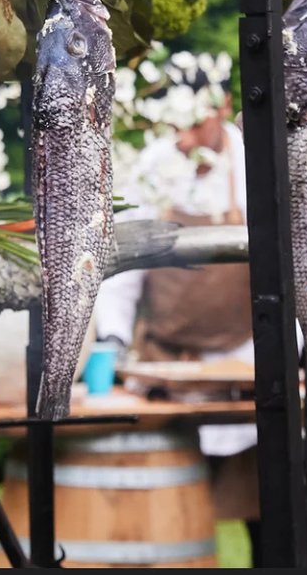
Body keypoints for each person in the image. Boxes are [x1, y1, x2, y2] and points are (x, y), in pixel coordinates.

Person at [92, 61, 261, 552]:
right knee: (160, 521)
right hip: (164, 367)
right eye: (175, 126)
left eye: (194, 124)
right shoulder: (152, 166)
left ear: (223, 107)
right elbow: (121, 267)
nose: (184, 138)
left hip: (244, 364)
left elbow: (289, 271)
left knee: (268, 521)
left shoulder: (256, 163)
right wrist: (114, 340)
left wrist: (282, 351)